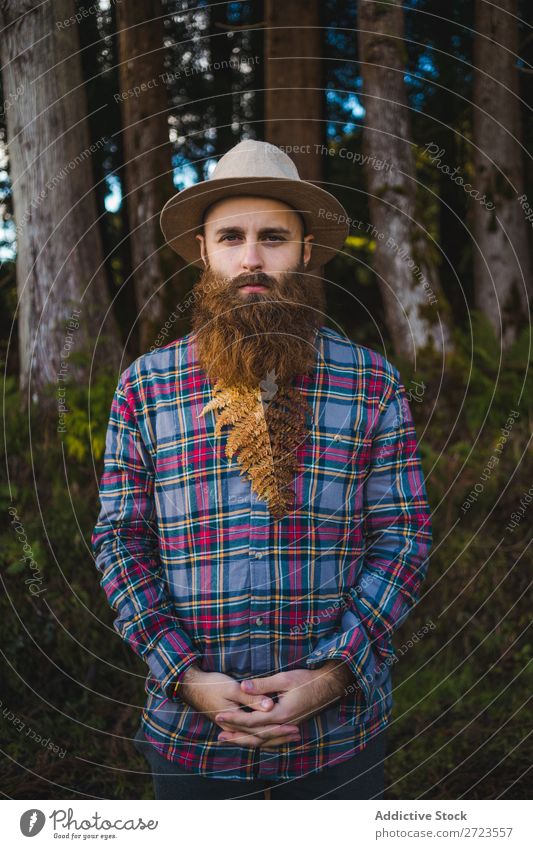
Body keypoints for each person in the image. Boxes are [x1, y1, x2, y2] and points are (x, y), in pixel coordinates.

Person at [91, 139, 432, 800]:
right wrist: (185, 675)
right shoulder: (146, 388)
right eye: (231, 237)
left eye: (273, 237)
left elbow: (403, 540)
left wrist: (332, 674)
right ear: (202, 250)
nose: (251, 258)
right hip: (192, 739)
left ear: (305, 250)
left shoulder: (371, 385)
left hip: (338, 739)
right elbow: (119, 543)